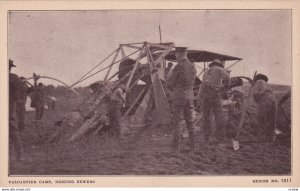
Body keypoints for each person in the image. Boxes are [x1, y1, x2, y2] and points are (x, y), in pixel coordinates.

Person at [167, 47, 197, 152]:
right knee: (190, 122)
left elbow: (170, 84)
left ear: (179, 54)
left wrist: (169, 77)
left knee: (178, 122)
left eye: (176, 54)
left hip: (179, 97)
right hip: (190, 97)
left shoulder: (179, 66)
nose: (176, 56)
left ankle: (176, 149)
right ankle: (193, 147)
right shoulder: (193, 67)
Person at [202, 59, 230, 143]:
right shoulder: (219, 69)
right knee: (219, 116)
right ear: (218, 64)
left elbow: (203, 84)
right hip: (215, 93)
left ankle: (206, 137)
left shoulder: (206, 72)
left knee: (206, 116)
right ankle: (220, 138)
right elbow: (228, 78)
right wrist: (224, 88)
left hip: (206, 94)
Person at [252, 73, 277, 142]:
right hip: (273, 99)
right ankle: (271, 138)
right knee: (272, 119)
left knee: (262, 118)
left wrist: (258, 101)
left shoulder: (258, 81)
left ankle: (260, 138)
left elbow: (255, 94)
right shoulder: (267, 84)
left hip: (265, 99)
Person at [9, 59, 25, 161]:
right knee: (12, 130)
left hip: (9, 106)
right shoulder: (13, 77)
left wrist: (14, 99)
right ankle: (17, 154)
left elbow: (21, 89)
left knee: (12, 129)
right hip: (9, 106)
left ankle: (19, 154)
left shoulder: (13, 78)